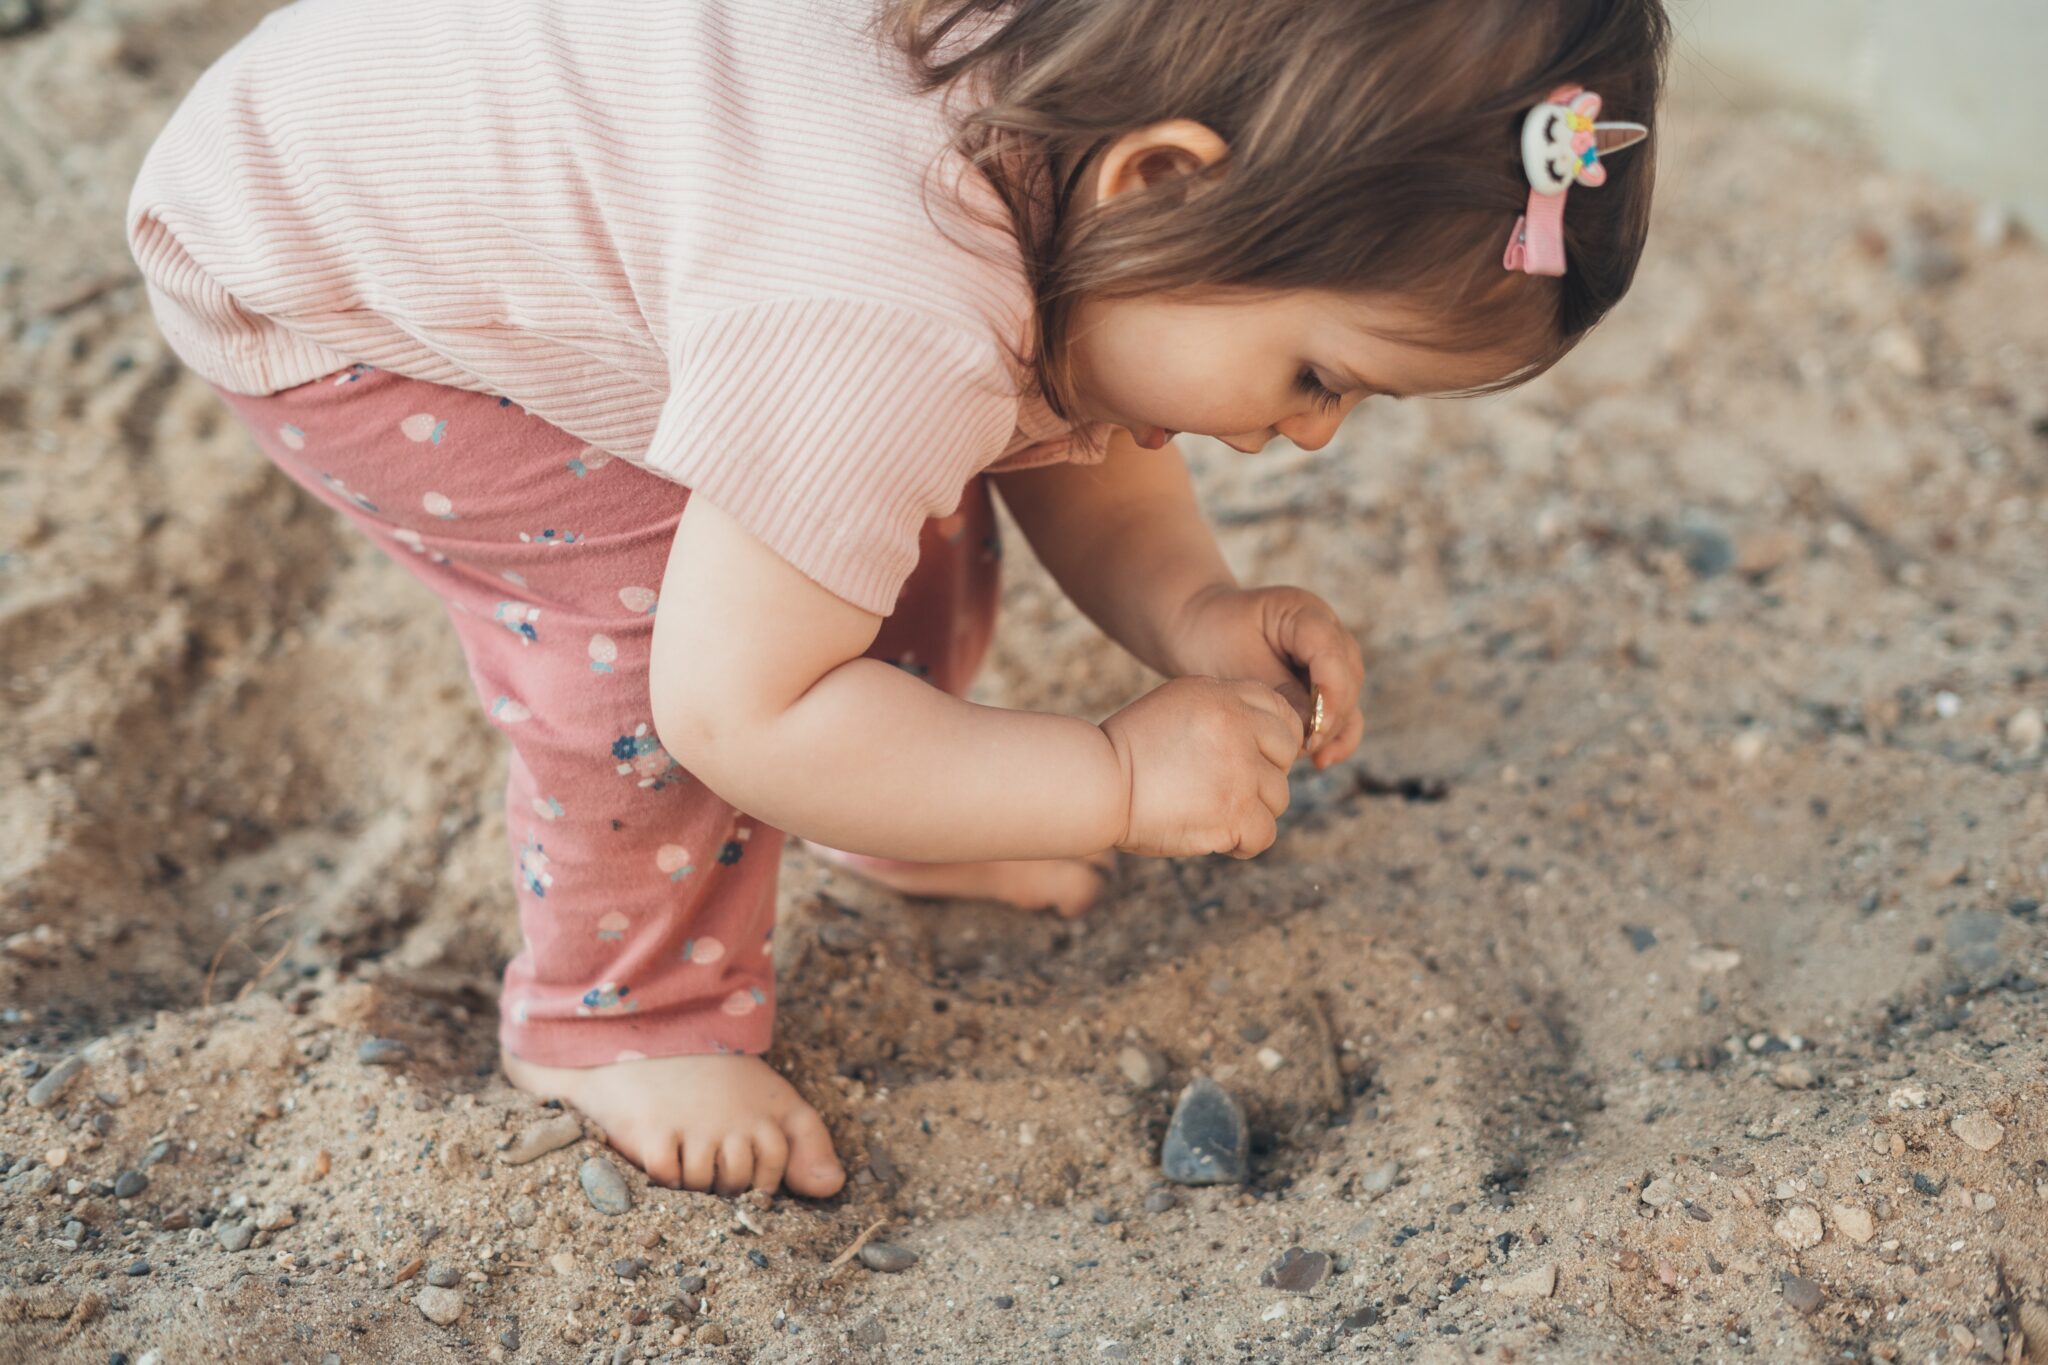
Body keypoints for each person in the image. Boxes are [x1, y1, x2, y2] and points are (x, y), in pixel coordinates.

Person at [127, 0, 1668, 1198]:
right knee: (663, 606)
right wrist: (1113, 778)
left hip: (523, 149)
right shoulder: (887, 301)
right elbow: (738, 705)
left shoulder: (1083, 144)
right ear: (1161, 181)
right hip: (322, 265)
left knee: (850, 494)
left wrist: (1194, 610)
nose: (1320, 426)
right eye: (1321, 372)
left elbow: (1079, 433)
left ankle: (895, 794)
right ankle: (614, 1016)